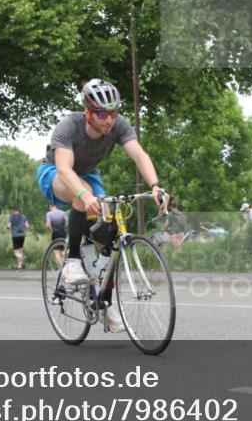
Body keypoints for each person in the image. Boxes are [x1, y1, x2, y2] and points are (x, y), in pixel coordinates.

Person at [36, 79, 163, 333]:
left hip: (89, 176)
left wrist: (155, 185)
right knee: (82, 193)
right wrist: (84, 193)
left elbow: (139, 154)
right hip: (55, 175)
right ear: (88, 112)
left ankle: (102, 299)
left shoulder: (119, 125)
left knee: (110, 230)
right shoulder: (68, 126)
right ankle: (72, 259)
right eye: (103, 114)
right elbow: (64, 168)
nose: (109, 120)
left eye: (113, 113)